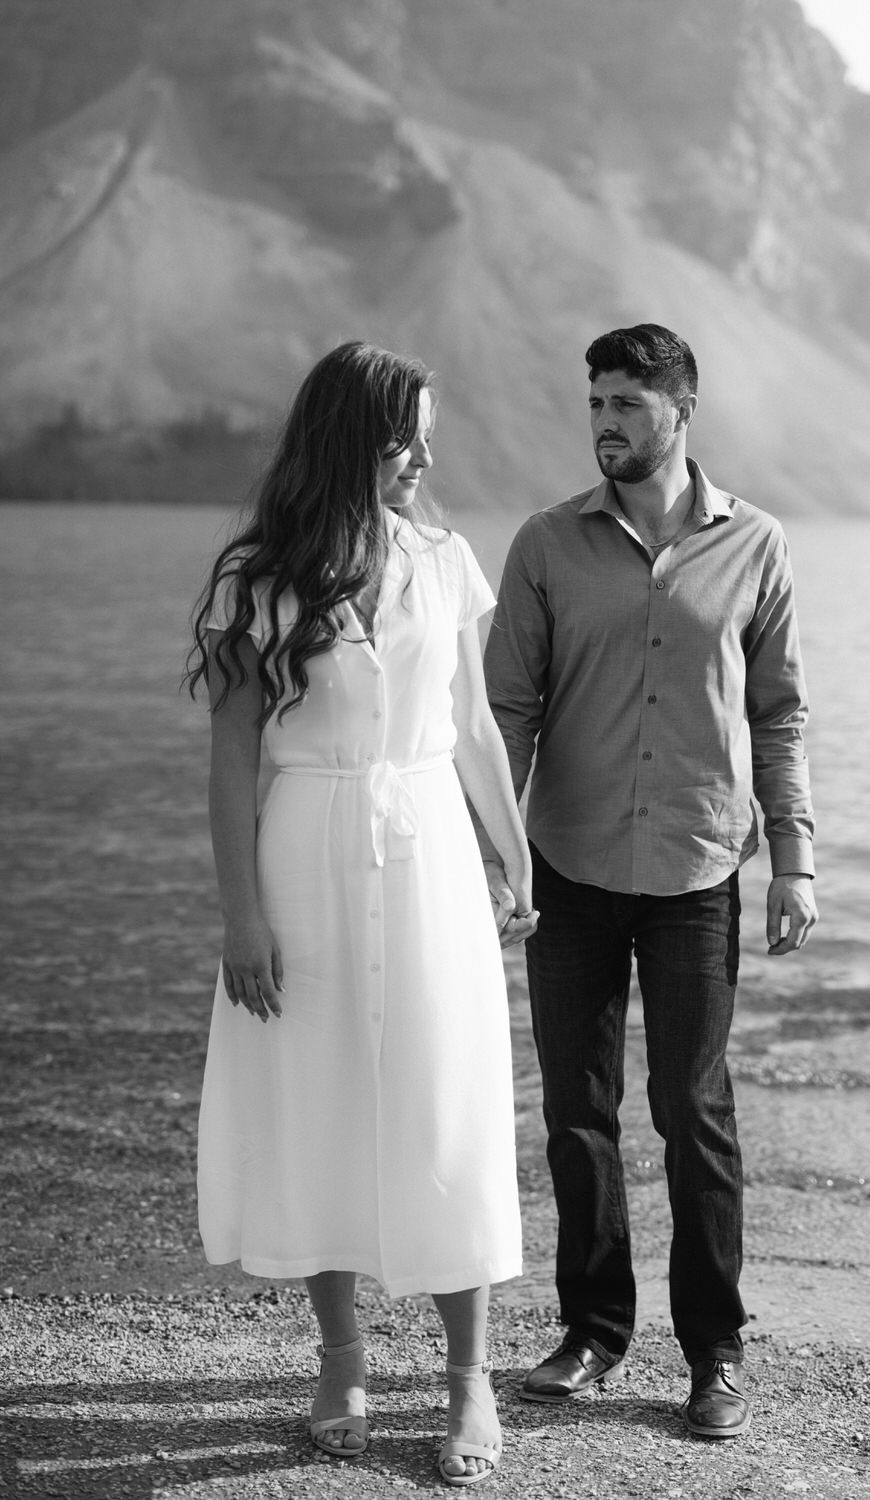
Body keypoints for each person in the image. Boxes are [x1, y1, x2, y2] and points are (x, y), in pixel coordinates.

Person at [185, 340, 537, 1487]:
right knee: (315, 1098)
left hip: (427, 846)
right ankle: (341, 1364)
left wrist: (513, 854)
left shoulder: (445, 561)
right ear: (348, 441)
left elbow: (474, 726)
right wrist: (242, 917)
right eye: (401, 438)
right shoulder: (264, 578)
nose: (424, 459)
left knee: (444, 1098)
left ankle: (468, 1380)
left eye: (428, 435)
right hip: (302, 855)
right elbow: (234, 755)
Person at [479, 323, 817, 1440]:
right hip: (566, 868)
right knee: (577, 1117)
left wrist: (794, 856)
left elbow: (777, 712)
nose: (604, 423)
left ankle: (711, 1354)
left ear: (679, 410)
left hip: (696, 866)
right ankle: (590, 1333)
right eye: (594, 405)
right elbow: (506, 719)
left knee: (692, 1114)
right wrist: (493, 855)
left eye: (625, 403)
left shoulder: (754, 543)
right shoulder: (543, 544)